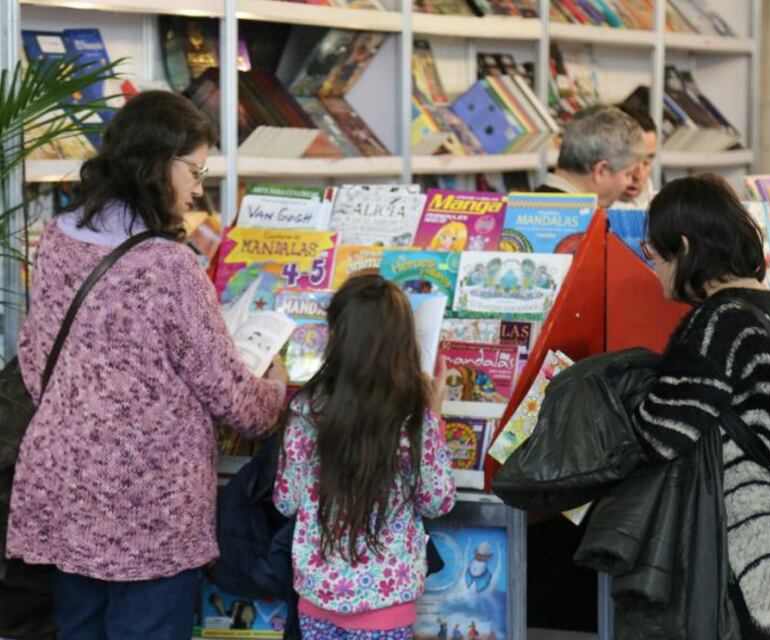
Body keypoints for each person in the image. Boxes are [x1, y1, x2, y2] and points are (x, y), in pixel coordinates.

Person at [6, 90, 287, 638]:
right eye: (195, 169)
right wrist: (279, 394)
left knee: (79, 626)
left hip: (67, 488)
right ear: (157, 161)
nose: (199, 187)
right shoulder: (169, 266)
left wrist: (89, 416)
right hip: (150, 510)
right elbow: (233, 398)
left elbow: (36, 356)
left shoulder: (58, 239)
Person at [633, 175, 770, 639]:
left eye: (655, 257)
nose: (654, 270)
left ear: (683, 246)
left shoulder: (720, 320)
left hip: (732, 538)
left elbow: (661, 431)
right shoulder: (764, 304)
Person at [274, 274, 456, 640]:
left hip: (316, 597)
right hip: (386, 605)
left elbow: (286, 501)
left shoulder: (307, 411)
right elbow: (437, 500)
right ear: (402, 344)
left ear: (336, 337)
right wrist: (433, 415)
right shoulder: (411, 419)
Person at [536, 104, 646, 209]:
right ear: (601, 171)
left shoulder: (525, 209)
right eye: (628, 174)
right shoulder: (586, 224)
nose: (629, 183)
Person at [613, 101, 658, 209]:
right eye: (632, 159)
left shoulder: (661, 206)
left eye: (647, 161)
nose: (639, 175)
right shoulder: (576, 210)